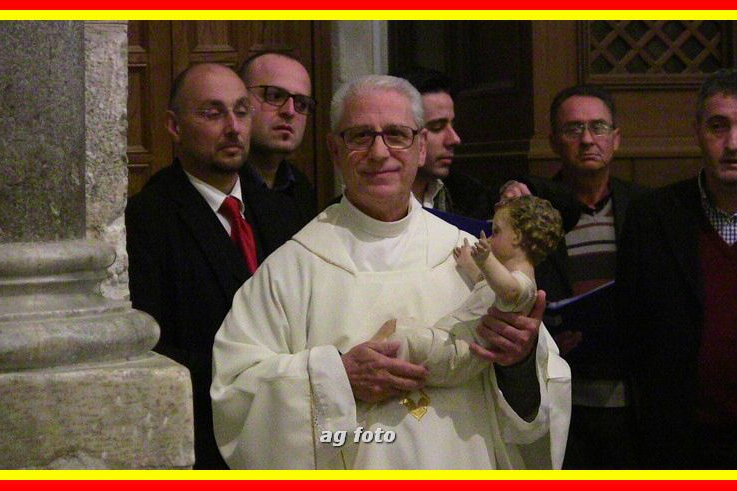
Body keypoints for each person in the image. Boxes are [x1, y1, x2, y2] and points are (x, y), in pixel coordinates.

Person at [210, 75, 571, 469]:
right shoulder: (292, 269)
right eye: (361, 136)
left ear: (420, 147)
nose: (379, 153)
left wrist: (517, 361)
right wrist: (339, 378)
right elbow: (235, 395)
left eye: (397, 135)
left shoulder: (471, 254)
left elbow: (541, 399)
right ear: (334, 149)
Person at [125, 63, 302, 469]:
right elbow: (149, 346)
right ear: (174, 126)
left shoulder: (281, 210)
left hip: (288, 432)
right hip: (206, 438)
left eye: (241, 111)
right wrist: (263, 381)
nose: (233, 127)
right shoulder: (148, 219)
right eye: (212, 113)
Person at [616, 67, 737, 469]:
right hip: (677, 442)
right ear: (697, 130)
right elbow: (631, 326)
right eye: (718, 126)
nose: (732, 144)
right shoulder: (652, 216)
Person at [500, 85, 646, 469]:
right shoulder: (533, 213)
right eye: (573, 129)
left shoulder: (645, 208)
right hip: (559, 396)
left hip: (632, 399)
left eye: (598, 127)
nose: (587, 139)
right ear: (553, 141)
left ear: (616, 138)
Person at [385, 196, 565, 390]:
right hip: (454, 345)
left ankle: (370, 375)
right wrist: (470, 265)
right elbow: (486, 284)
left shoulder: (524, 285)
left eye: (496, 232)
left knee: (400, 341)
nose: (489, 239)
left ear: (517, 237)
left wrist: (486, 260)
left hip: (460, 352)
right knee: (395, 327)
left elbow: (509, 289)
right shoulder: (504, 282)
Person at [398, 67, 497, 220]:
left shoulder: (468, 196)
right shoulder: (373, 203)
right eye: (437, 127)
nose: (455, 139)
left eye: (452, 125)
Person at [239, 51, 319, 227]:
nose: (290, 111)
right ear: (240, 102)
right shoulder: (219, 186)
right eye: (274, 96)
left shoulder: (301, 188)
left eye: (301, 103)